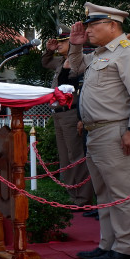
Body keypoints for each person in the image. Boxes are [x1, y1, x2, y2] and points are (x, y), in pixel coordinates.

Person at [68, 2, 130, 259]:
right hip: (95, 132)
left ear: (113, 25)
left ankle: (126, 247)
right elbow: (76, 66)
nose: (89, 29)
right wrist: (76, 44)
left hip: (116, 130)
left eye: (94, 25)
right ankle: (108, 243)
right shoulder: (102, 54)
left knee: (123, 191)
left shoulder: (128, 53)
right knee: (103, 192)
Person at [41, 25, 94, 207]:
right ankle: (72, 196)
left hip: (73, 113)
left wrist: (81, 118)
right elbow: (45, 63)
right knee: (65, 157)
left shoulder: (82, 62)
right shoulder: (60, 62)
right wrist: (48, 51)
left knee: (76, 156)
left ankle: (83, 198)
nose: (59, 45)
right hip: (59, 114)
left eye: (63, 41)